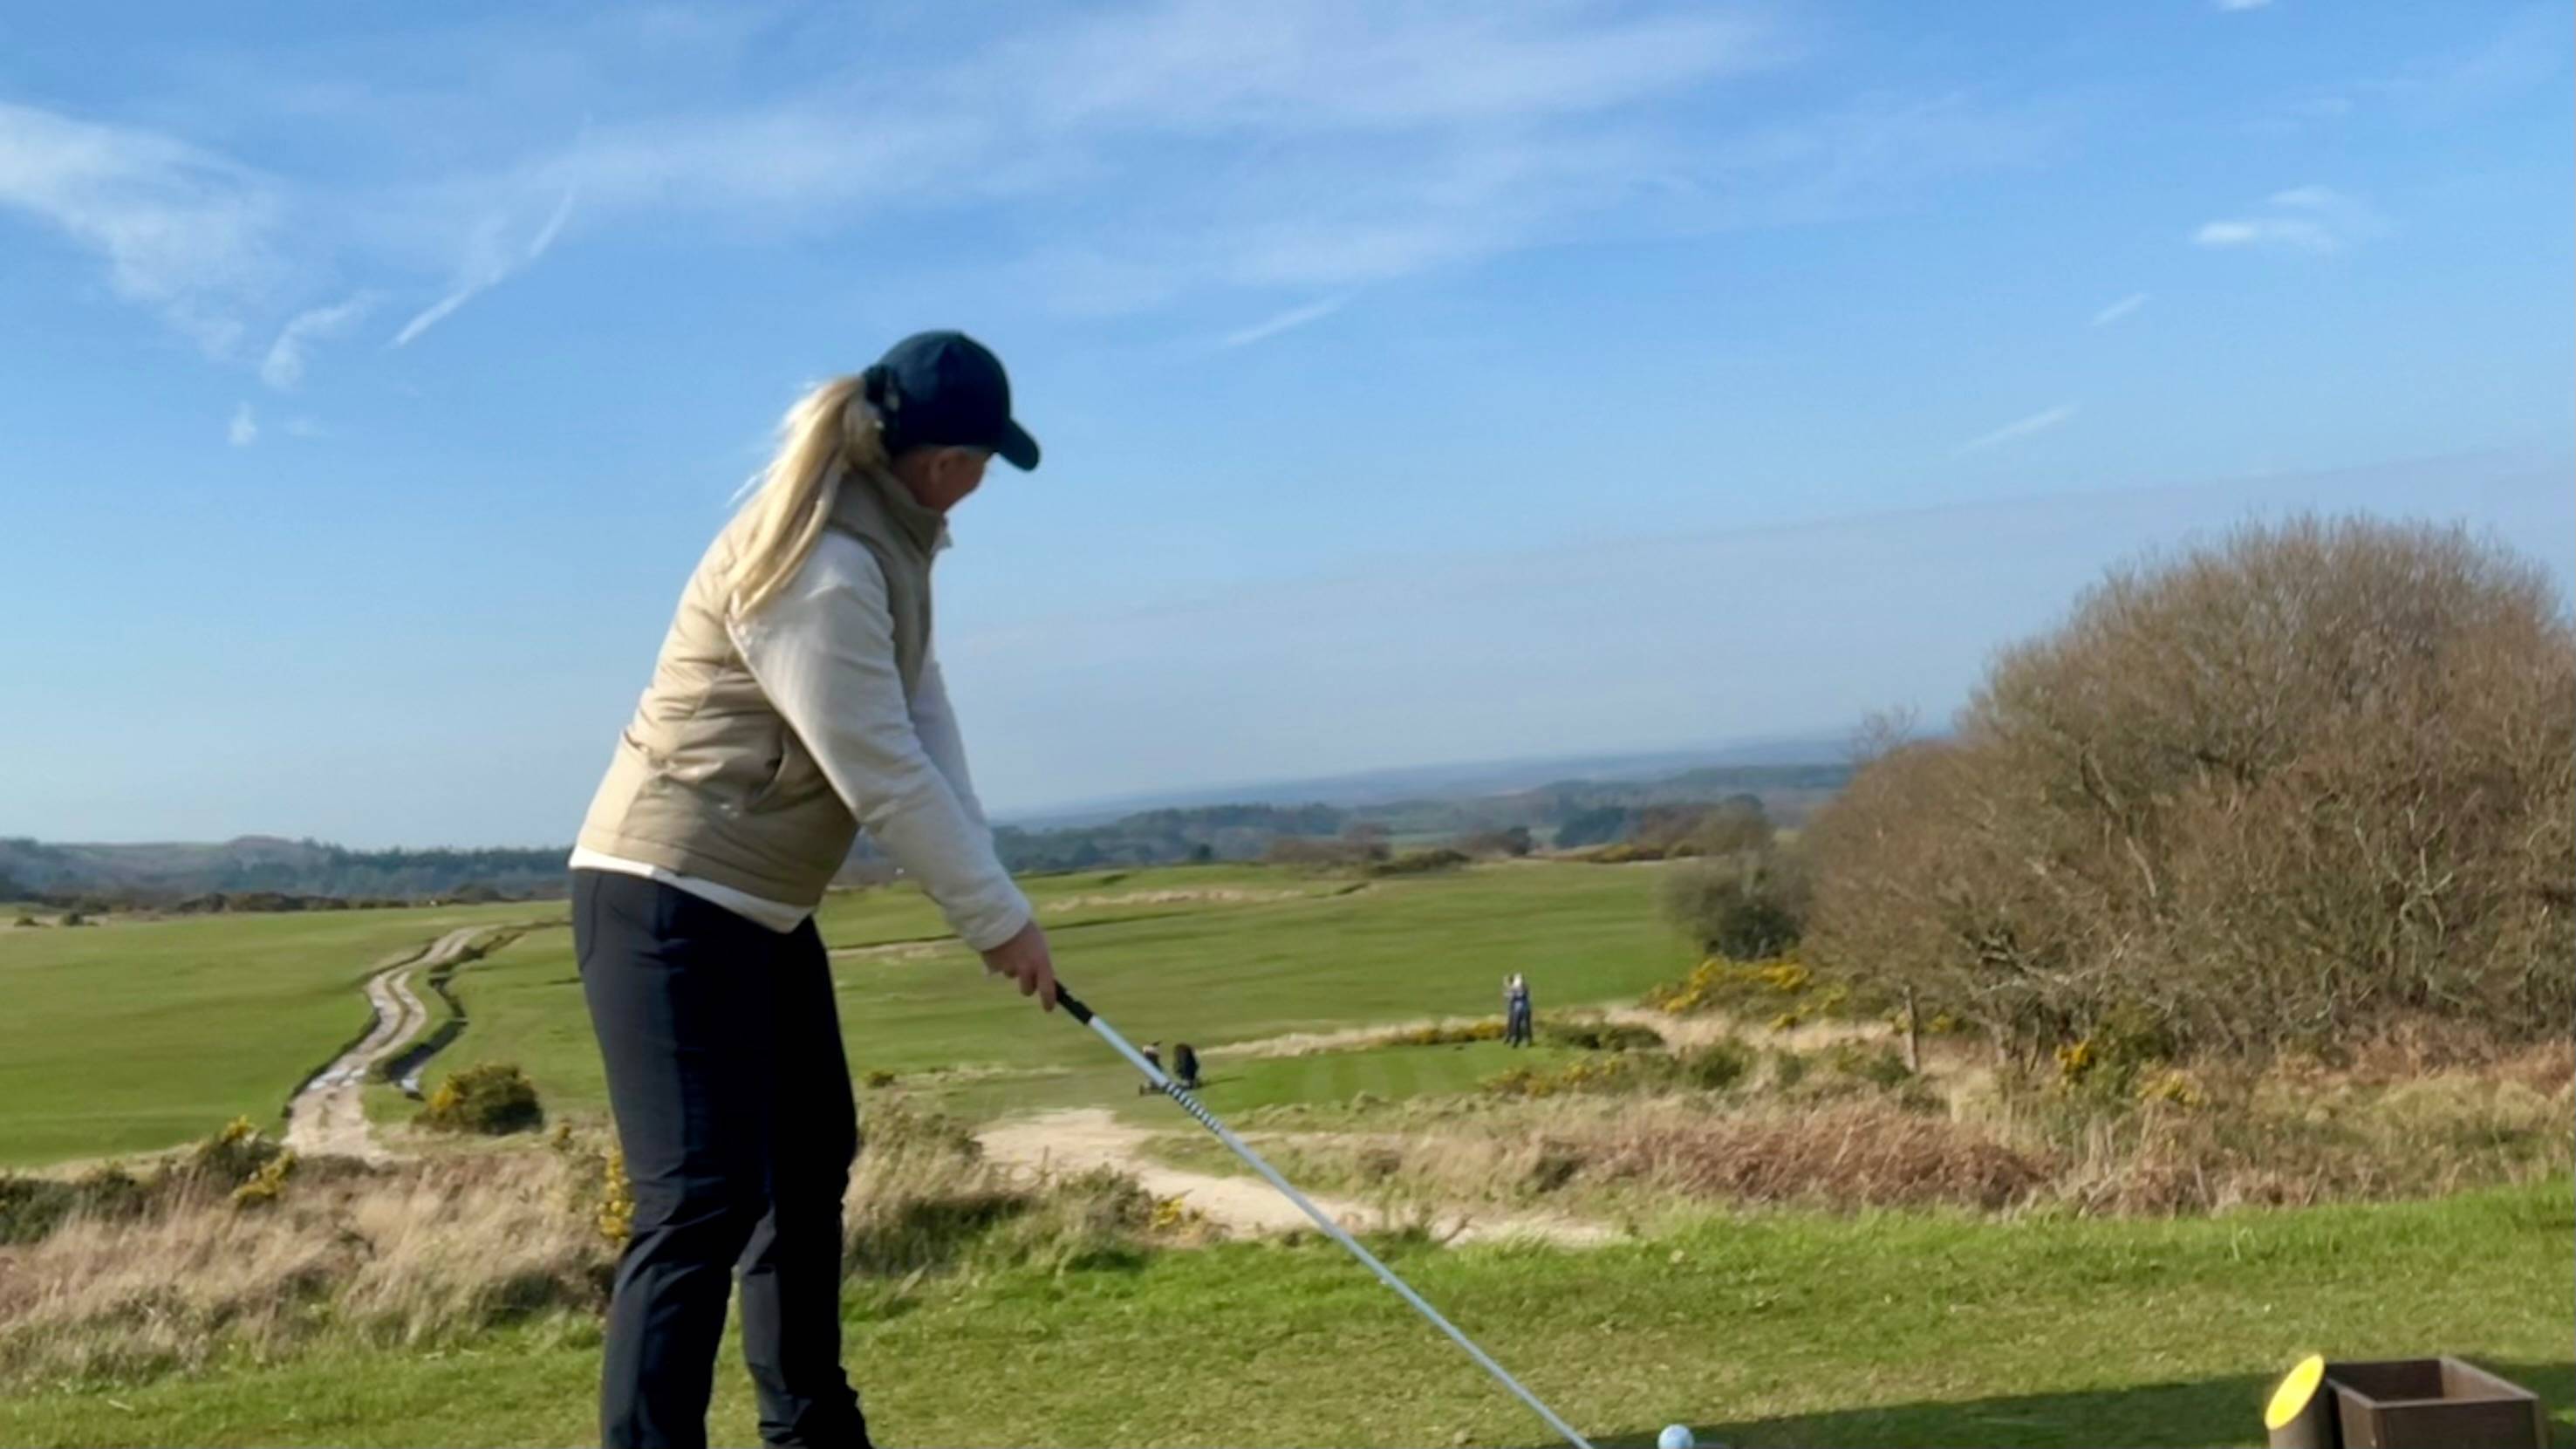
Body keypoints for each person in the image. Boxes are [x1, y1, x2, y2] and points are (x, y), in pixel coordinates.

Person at [568, 331, 1057, 1449]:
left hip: (758, 907)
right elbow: (876, 764)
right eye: (980, 460)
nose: (982, 483)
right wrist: (994, 920)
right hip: (665, 893)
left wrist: (996, 888)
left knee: (806, 1160)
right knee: (699, 1200)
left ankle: (811, 1430)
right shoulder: (823, 566)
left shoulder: (890, 546)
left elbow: (924, 724)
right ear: (938, 458)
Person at [1505, 974, 1534, 1048]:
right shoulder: (1525, 987)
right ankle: (1528, 1040)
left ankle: (1517, 1041)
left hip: (1518, 1009)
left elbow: (1511, 998)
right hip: (1525, 1008)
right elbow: (1528, 997)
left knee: (1517, 1025)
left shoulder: (1515, 988)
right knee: (1526, 1025)